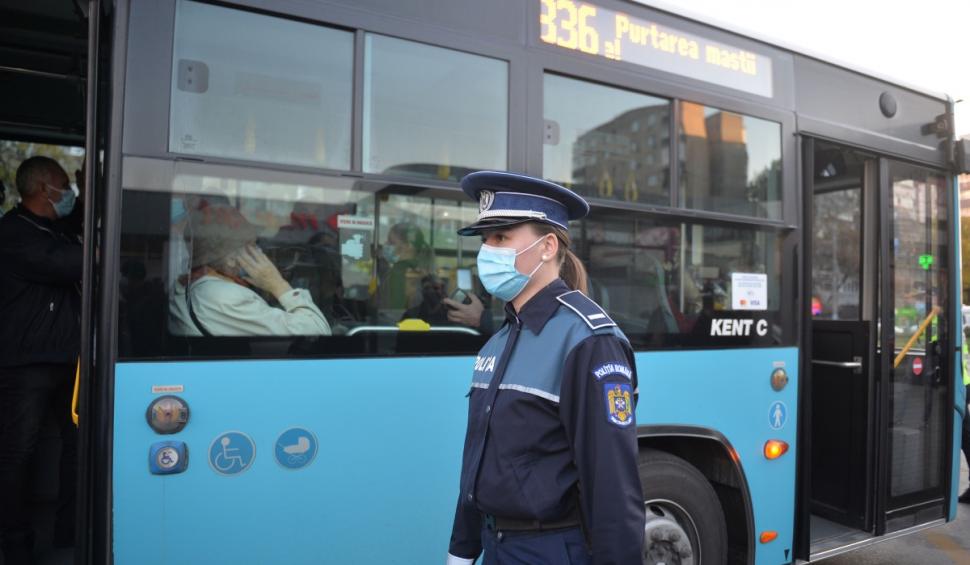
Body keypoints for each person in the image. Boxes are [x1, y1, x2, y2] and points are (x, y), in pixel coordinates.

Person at [446, 171, 644, 565]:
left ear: (547, 246)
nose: (488, 251)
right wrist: (462, 549)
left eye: (501, 237)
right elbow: (479, 458)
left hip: (551, 549)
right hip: (497, 546)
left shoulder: (589, 341)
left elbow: (612, 488)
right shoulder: (499, 340)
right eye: (485, 240)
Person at [0, 156, 83, 564]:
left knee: (77, 446)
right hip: (26, 363)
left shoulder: (55, 230)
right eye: (65, 186)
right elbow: (66, 264)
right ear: (43, 188)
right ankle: (16, 544)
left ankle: (70, 532)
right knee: (19, 452)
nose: (69, 195)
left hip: (67, 358)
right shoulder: (13, 233)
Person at [168, 202, 332, 336]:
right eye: (252, 246)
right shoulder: (226, 298)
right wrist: (278, 284)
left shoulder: (186, 286)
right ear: (232, 258)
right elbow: (317, 332)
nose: (259, 252)